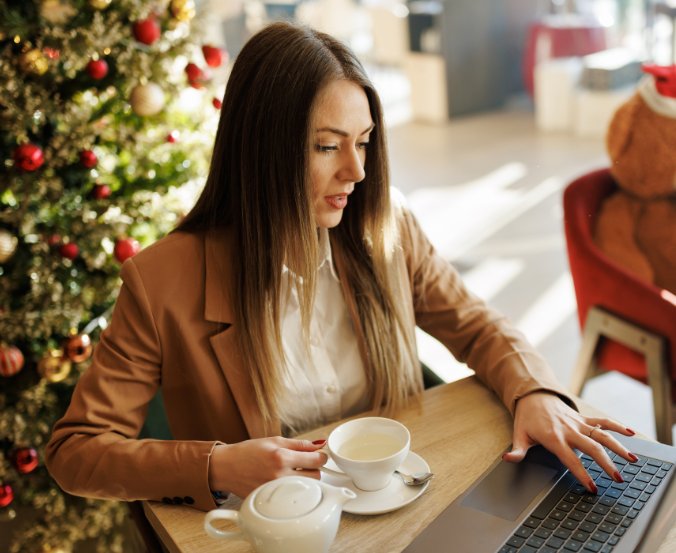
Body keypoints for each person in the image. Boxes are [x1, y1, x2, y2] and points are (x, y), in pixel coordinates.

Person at [46, 22, 637, 512]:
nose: (356, 172)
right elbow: (76, 452)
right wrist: (218, 463)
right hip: (273, 533)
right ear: (263, 150)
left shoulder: (386, 227)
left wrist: (534, 391)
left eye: (365, 141)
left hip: (401, 503)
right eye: (327, 146)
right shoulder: (162, 281)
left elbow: (476, 325)